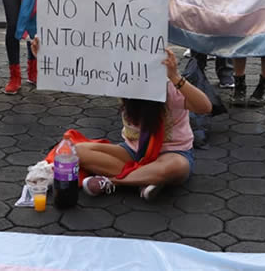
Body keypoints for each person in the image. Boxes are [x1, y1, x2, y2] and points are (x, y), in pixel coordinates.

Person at [73, 46, 212, 201]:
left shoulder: (168, 88)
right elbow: (88, 72)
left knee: (178, 167)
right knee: (77, 151)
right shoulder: (122, 83)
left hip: (171, 152)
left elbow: (205, 107)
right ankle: (146, 178)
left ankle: (114, 181)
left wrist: (175, 77)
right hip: (133, 151)